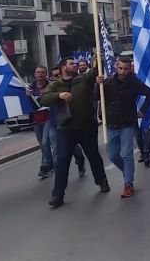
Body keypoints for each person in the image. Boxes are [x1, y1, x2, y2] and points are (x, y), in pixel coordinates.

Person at [40, 57, 110, 208]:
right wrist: (59, 96)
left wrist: (99, 60)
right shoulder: (55, 85)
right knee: (62, 162)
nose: (75, 65)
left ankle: (102, 181)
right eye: (71, 63)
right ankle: (58, 194)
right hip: (66, 129)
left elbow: (95, 72)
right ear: (63, 67)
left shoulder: (83, 79)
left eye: (75, 63)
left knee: (93, 156)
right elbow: (43, 99)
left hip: (86, 126)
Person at [97, 56, 150, 198]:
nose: (123, 71)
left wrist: (142, 110)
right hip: (111, 123)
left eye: (126, 69)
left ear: (130, 69)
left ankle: (128, 184)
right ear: (117, 67)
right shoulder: (108, 81)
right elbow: (96, 97)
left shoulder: (134, 82)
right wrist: (97, 85)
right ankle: (128, 171)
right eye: (120, 68)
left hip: (128, 123)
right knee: (113, 155)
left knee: (127, 154)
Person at [28, 66, 54, 178]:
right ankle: (50, 164)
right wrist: (28, 95)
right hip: (36, 119)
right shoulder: (30, 88)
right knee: (42, 144)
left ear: (46, 74)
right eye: (38, 72)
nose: (40, 74)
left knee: (45, 142)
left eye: (42, 72)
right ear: (35, 74)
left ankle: (45, 165)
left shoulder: (50, 86)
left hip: (48, 118)